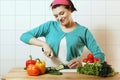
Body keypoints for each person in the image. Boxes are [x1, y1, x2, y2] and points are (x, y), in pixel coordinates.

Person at [20, 0, 105, 69]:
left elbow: (100, 55)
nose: (59, 18)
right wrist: (44, 44)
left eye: (62, 13)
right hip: (50, 72)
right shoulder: (49, 26)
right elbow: (24, 36)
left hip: (73, 74)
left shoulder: (83, 31)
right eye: (56, 16)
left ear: (70, 9)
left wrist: (83, 64)